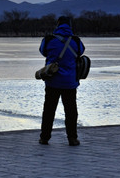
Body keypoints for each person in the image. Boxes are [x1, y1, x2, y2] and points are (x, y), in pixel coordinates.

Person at [38, 16, 85, 146]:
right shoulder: (76, 41)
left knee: (49, 110)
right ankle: (72, 138)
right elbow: (81, 52)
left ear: (57, 25)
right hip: (70, 82)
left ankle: (44, 137)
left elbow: (43, 52)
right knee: (71, 111)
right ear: (70, 26)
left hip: (52, 81)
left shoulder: (49, 40)